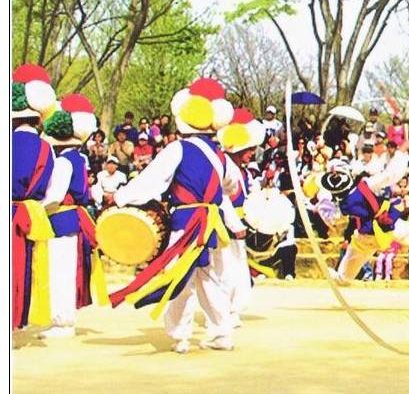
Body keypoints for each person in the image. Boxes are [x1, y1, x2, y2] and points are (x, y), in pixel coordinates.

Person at [109, 78, 244, 353]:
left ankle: (180, 335)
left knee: (179, 277)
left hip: (186, 221)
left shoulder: (178, 149)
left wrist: (121, 196)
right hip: (211, 223)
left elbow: (152, 180)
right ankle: (221, 333)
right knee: (210, 277)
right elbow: (233, 186)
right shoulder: (221, 156)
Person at [312, 146, 409, 286]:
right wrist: (402, 153)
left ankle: (342, 278)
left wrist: (322, 200)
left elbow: (332, 219)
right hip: (388, 226)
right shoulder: (366, 185)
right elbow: (391, 175)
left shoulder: (343, 204)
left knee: (351, 264)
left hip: (366, 236)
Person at [39, 94, 106, 338]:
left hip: (61, 219)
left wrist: (37, 209)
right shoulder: (80, 159)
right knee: (67, 269)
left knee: (60, 271)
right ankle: (63, 319)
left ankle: (62, 321)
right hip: (74, 218)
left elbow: (55, 196)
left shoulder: (63, 162)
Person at [11, 64, 59, 331]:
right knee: (25, 267)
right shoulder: (47, 149)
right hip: (31, 215)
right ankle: (18, 320)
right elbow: (51, 191)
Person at [215, 108, 266, 329]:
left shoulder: (242, 170)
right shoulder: (225, 165)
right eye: (249, 149)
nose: (252, 153)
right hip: (225, 225)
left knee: (238, 268)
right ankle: (223, 311)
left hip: (239, 225)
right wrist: (234, 223)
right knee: (226, 269)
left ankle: (233, 309)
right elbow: (223, 198)